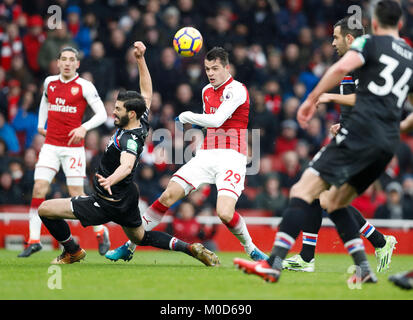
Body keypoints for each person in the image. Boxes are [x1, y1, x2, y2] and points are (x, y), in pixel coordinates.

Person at [234, 0, 413, 284]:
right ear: (400, 24)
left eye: (335, 37)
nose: (331, 42)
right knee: (333, 201)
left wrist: (315, 97)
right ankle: (365, 267)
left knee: (302, 191)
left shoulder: (369, 45)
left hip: (360, 134)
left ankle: (275, 263)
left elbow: (339, 70)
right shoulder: (409, 57)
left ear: (375, 24)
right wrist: (398, 128)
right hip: (385, 143)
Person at [36, 41, 220, 267]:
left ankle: (72, 250)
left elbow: (127, 163)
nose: (113, 112)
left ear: (130, 113)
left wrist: (111, 179)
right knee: (141, 237)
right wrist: (141, 59)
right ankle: (190, 248)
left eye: (118, 109)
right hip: (127, 197)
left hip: (105, 200)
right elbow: (147, 92)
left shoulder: (128, 139)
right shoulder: (140, 122)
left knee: (45, 209)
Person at [106, 47, 268, 262]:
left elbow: (217, 120)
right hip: (206, 155)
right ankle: (129, 246)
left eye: (215, 69)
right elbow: (208, 126)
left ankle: (252, 249)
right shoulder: (206, 91)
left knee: (225, 213)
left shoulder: (237, 89)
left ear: (227, 68)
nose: (211, 73)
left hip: (231, 157)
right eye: (208, 69)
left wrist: (186, 116)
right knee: (167, 196)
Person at [282, 16, 397, 273]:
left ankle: (308, 257)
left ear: (349, 38)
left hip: (364, 141)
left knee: (316, 192)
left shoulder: (366, 62)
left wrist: (327, 96)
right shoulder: (349, 64)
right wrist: (342, 125)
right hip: (350, 135)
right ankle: (378, 242)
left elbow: (367, 99)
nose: (332, 43)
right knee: (324, 198)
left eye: (335, 37)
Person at [18, 46, 110, 258]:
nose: (67, 63)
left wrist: (83, 127)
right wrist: (41, 124)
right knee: (39, 188)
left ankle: (100, 230)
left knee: (76, 194)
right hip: (50, 145)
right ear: (58, 63)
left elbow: (102, 113)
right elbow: (44, 100)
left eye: (72, 60)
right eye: (64, 59)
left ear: (77, 64)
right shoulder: (49, 82)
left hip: (73, 149)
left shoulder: (84, 86)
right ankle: (33, 240)